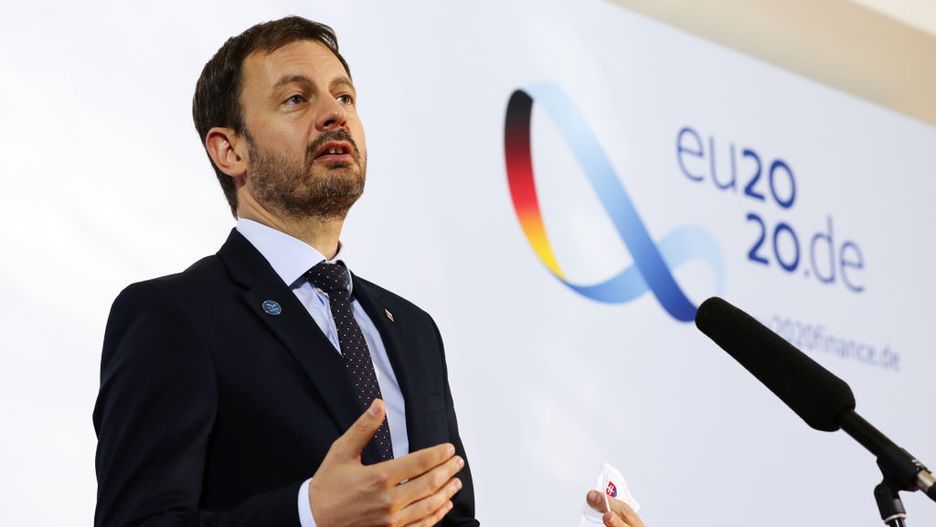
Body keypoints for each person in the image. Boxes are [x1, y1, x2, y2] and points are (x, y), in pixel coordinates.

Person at [93, 15, 646, 527]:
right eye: (295, 98)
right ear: (229, 150)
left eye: (344, 96)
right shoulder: (174, 315)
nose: (334, 114)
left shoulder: (413, 329)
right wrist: (307, 513)